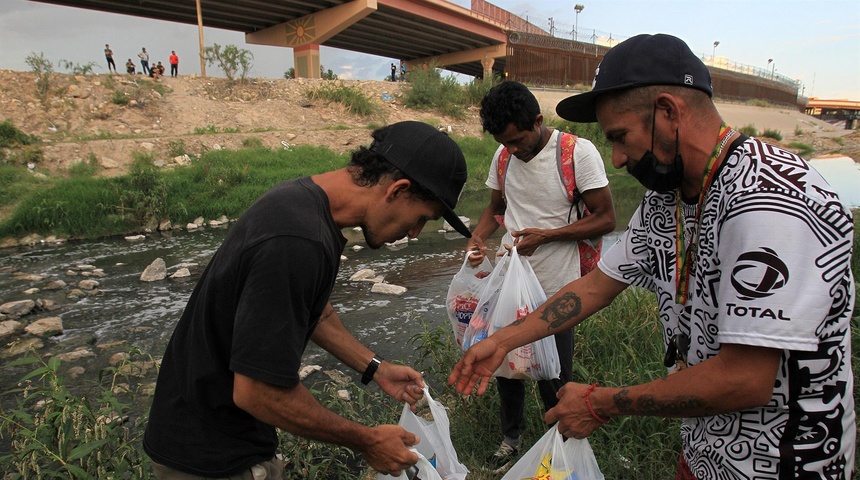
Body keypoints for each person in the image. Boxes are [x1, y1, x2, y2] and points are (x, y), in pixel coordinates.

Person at [449, 33, 855, 479]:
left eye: (621, 137)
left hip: (784, 463)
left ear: (668, 111)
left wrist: (601, 402)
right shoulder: (667, 202)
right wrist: (502, 340)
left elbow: (745, 380)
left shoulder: (771, 199)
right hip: (703, 451)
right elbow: (595, 287)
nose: (618, 160)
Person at [144, 121, 473, 479]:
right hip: (210, 459)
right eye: (421, 218)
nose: (413, 232)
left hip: (209, 437)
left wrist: (374, 367)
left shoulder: (302, 202)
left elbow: (314, 310)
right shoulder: (298, 241)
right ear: (398, 189)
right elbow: (258, 392)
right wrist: (366, 441)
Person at [467, 80, 616, 473]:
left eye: (518, 140)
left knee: (553, 373)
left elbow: (605, 219)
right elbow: (496, 207)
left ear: (537, 120)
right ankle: (510, 439)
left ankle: (560, 446)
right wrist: (479, 237)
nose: (513, 150)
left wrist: (547, 236)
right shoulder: (503, 156)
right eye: (505, 143)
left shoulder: (575, 154)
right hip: (509, 280)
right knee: (505, 364)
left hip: (557, 286)